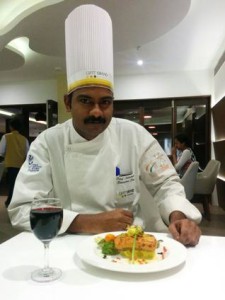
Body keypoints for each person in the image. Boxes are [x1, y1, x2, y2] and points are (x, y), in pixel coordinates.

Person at [8, 4, 202, 246]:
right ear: (68, 103)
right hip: (67, 243)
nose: (97, 111)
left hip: (129, 243)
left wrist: (177, 215)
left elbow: (165, 183)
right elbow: (21, 209)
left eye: (105, 102)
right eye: (86, 101)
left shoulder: (133, 134)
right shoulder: (48, 142)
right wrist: (87, 221)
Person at [0, 116, 29, 207]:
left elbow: (1, 151)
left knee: (11, 184)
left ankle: (10, 201)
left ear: (11, 126)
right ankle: (11, 201)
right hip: (21, 166)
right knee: (17, 184)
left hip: (9, 165)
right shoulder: (24, 139)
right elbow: (28, 154)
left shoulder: (6, 137)